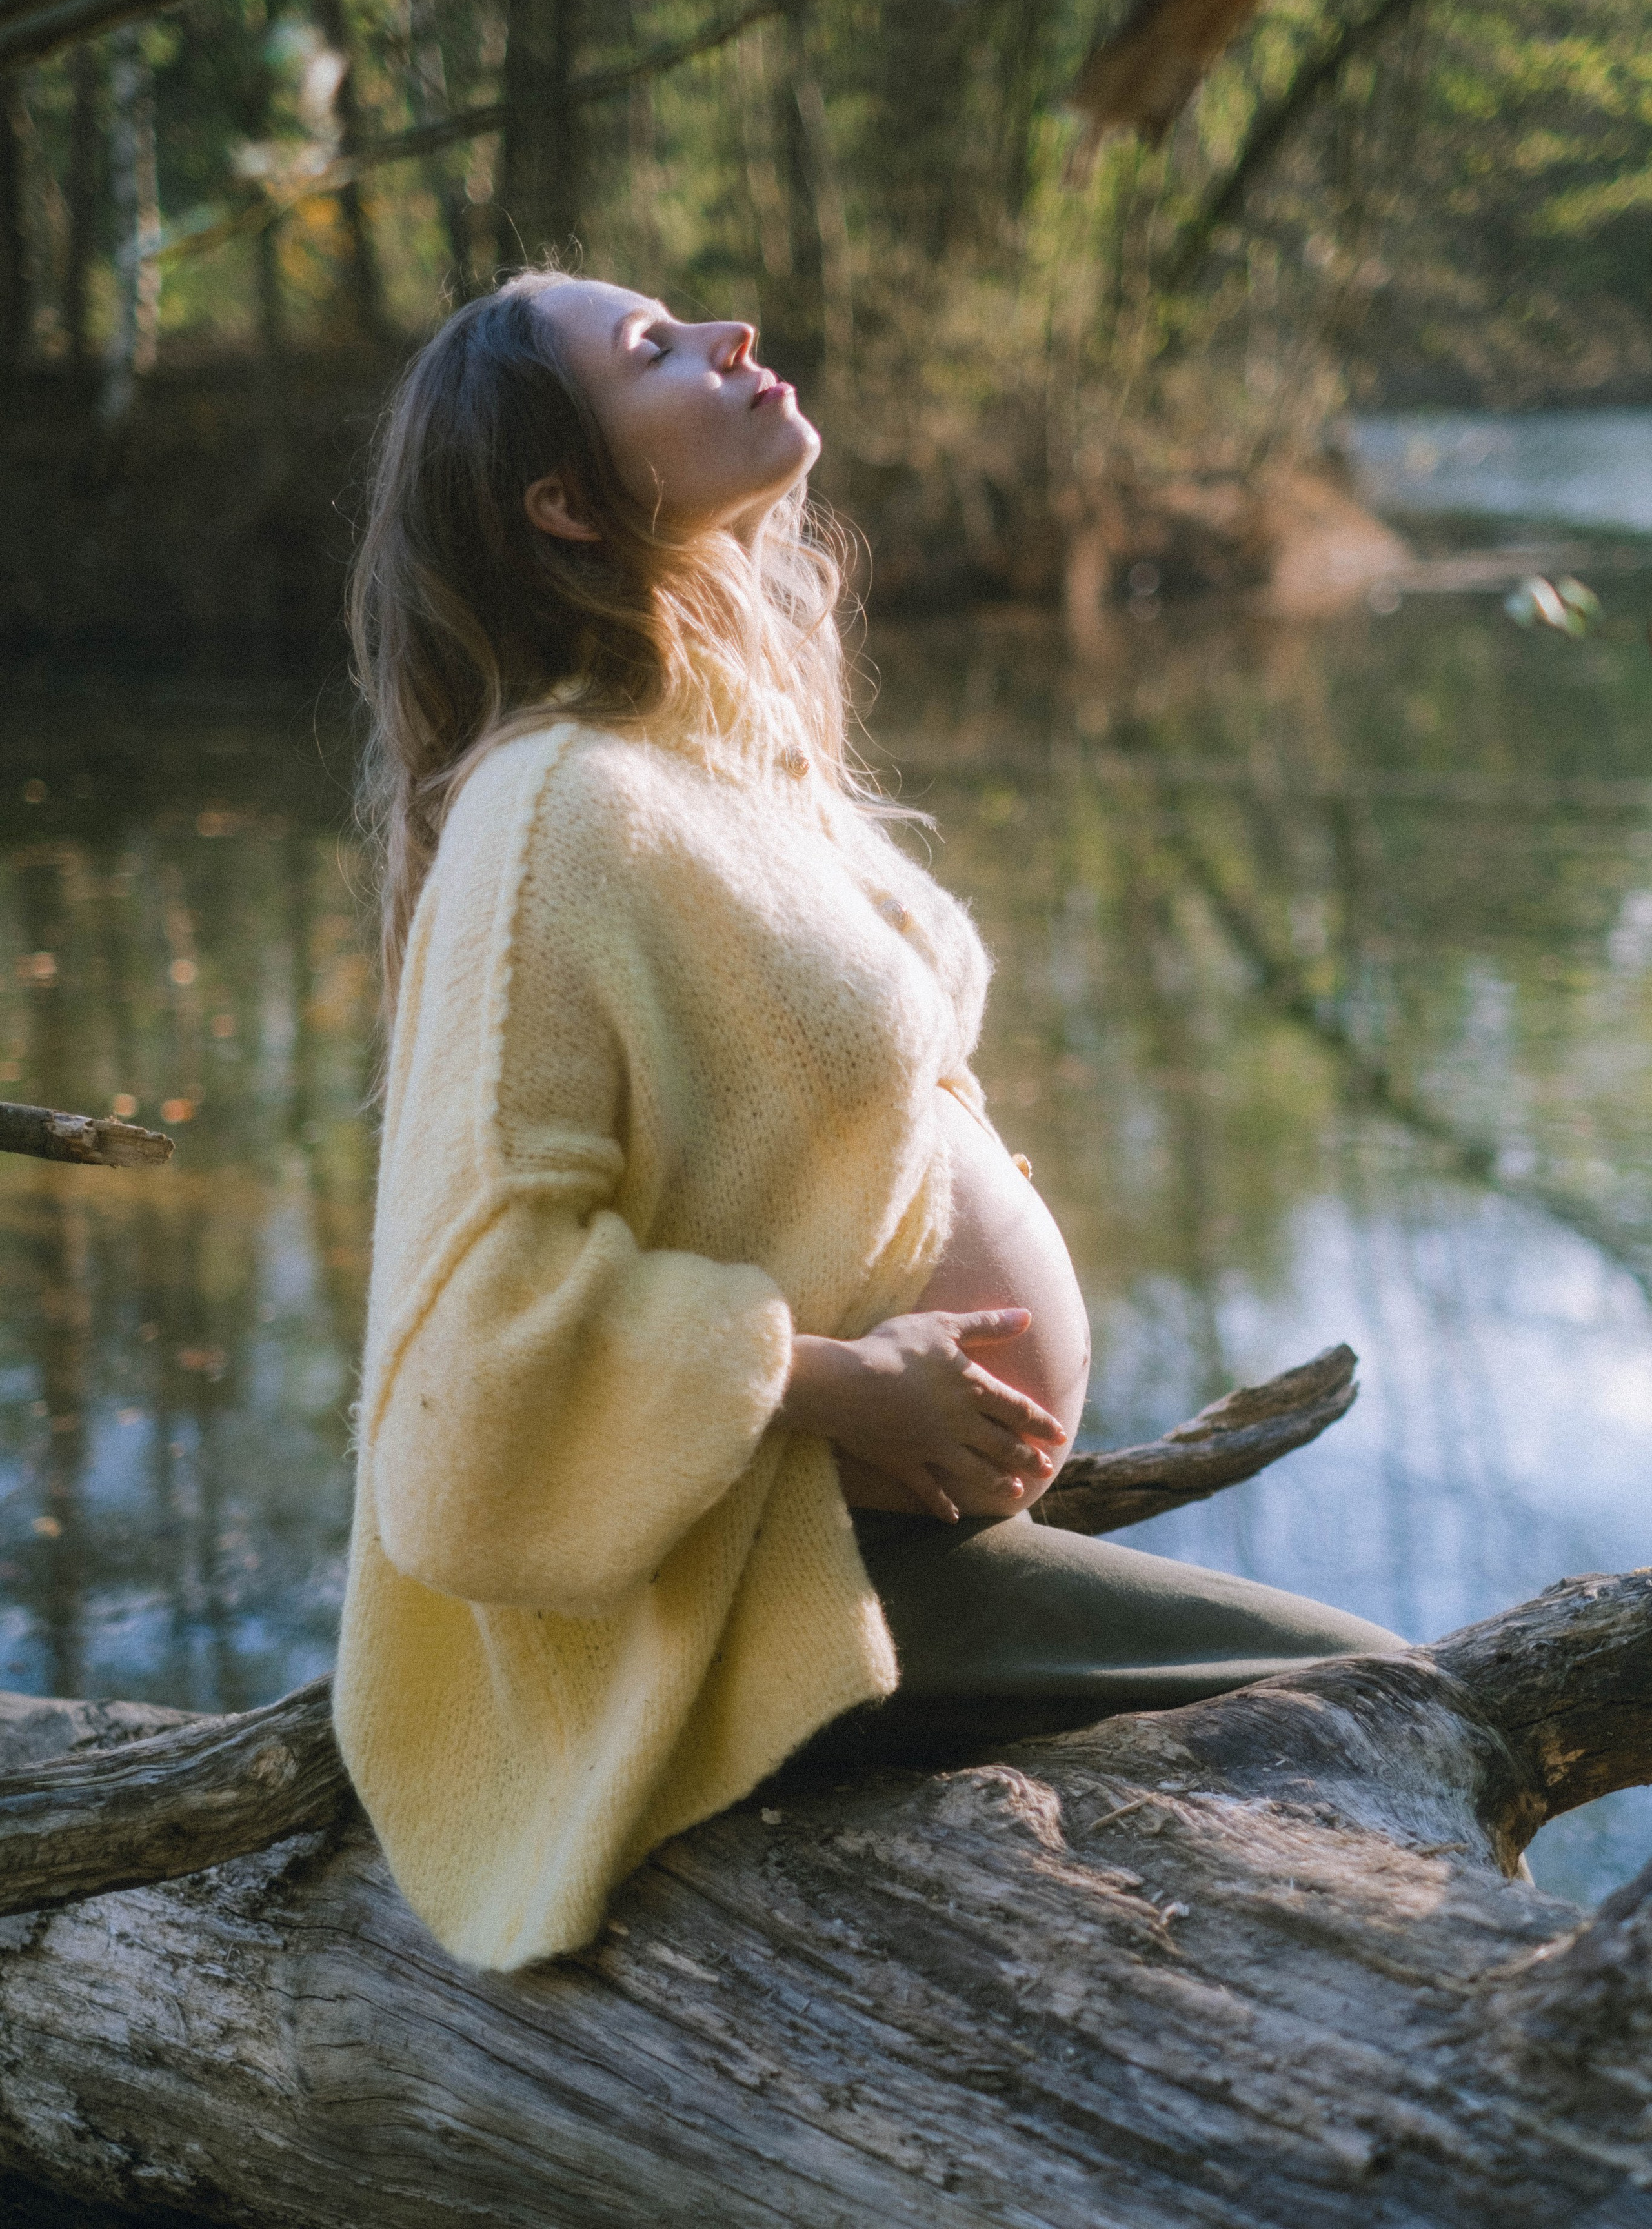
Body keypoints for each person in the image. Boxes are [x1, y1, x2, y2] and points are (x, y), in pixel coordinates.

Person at [334, 268, 1402, 1973]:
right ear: (563, 501)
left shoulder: (699, 761)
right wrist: (843, 1382)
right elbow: (472, 1355)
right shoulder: (552, 812)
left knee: (1389, 1732)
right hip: (785, 1591)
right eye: (652, 352)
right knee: (1392, 1705)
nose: (730, 339)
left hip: (888, 1537)